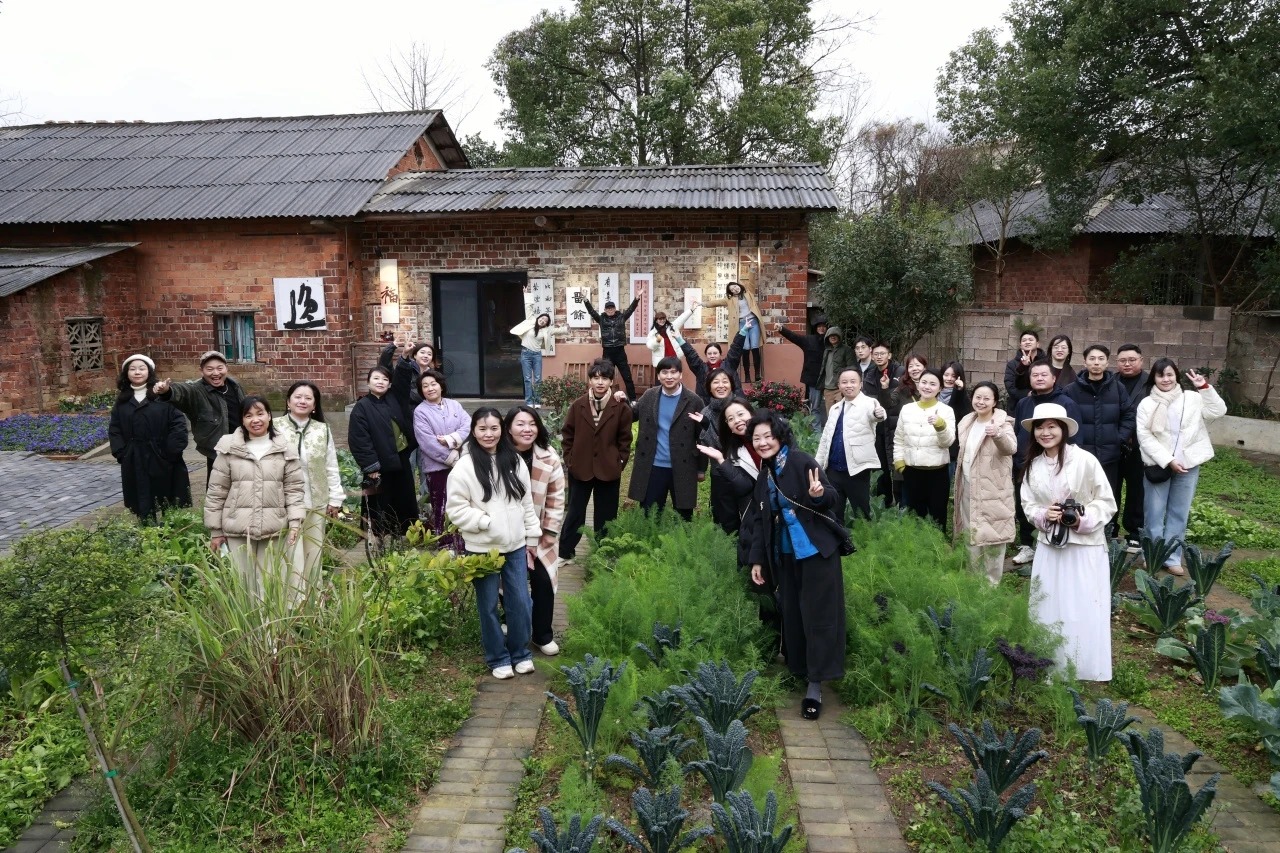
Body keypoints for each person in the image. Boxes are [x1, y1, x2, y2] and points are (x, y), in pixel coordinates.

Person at [743, 411, 848, 720]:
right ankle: (800, 668)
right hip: (786, 554)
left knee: (819, 614)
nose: (762, 443)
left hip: (816, 551)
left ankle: (816, 684)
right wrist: (758, 559)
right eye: (756, 438)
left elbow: (831, 497)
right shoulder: (766, 472)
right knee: (793, 612)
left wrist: (817, 495)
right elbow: (762, 521)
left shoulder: (802, 461)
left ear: (780, 436)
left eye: (767, 436)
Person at [1020, 402, 1115, 681]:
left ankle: (1082, 666)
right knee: (1048, 603)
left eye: (1052, 426)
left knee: (1082, 605)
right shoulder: (1033, 466)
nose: (1045, 432)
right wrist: (1043, 514)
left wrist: (1080, 520)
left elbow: (1106, 502)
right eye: (1040, 427)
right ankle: (1049, 663)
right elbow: (1027, 504)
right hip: (1050, 546)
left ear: (1063, 429)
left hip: (1084, 547)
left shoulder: (1085, 460)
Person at [445, 408, 542, 680]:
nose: (489, 434)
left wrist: (531, 537)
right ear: (473, 431)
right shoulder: (464, 467)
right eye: (483, 429)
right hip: (483, 549)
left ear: (503, 429)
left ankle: (520, 652)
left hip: (514, 546)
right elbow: (455, 508)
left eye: (494, 428)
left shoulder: (514, 460)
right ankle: (497, 657)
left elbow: (526, 502)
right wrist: (485, 522)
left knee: (520, 602)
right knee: (488, 606)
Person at [205, 396, 305, 599]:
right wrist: (216, 531)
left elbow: (294, 490)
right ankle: (248, 631)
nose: (255, 419)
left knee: (272, 586)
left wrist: (295, 523)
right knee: (243, 587)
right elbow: (216, 491)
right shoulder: (229, 448)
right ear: (242, 420)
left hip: (274, 529)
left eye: (260, 413)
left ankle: (273, 630)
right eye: (248, 415)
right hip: (238, 529)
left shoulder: (285, 449)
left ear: (270, 416)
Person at [1135, 359, 1226, 575]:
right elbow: (1145, 437)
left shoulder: (1192, 398)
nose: (1165, 379)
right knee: (1154, 513)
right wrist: (1168, 460)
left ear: (1176, 375)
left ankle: (1173, 557)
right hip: (1159, 465)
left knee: (1179, 513)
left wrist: (1204, 387)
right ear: (1154, 379)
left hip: (1188, 465)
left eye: (1169, 374)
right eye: (1160, 375)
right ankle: (1153, 555)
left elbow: (1218, 410)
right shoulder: (1147, 404)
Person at [505, 405, 566, 656]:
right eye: (520, 424)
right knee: (507, 581)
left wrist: (549, 533)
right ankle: (511, 622)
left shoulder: (549, 457)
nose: (527, 429)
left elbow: (556, 498)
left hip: (540, 533)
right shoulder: (498, 456)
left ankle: (542, 633)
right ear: (508, 428)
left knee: (542, 580)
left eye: (532, 423)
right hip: (507, 533)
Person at [558, 359, 634, 559]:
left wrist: (619, 462)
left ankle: (603, 553)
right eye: (596, 378)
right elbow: (568, 435)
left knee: (606, 515)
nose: (600, 382)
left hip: (608, 469)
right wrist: (570, 459)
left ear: (611, 381)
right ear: (590, 380)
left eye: (605, 378)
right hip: (580, 467)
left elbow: (625, 440)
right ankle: (565, 552)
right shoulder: (578, 405)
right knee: (575, 512)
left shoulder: (620, 407)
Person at [1011, 360, 1084, 567]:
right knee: (1025, 502)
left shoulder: (1066, 403)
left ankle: (1058, 540)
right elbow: (1018, 432)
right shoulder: (1024, 404)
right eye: (1035, 375)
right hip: (1025, 463)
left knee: (1056, 502)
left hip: (1058, 464)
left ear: (1054, 378)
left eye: (1044, 374)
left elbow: (1075, 438)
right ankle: (1027, 544)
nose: (1039, 378)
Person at [109, 354, 191, 522]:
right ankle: (149, 536)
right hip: (135, 457)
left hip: (163, 456)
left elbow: (178, 424)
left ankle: (171, 535)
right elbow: (115, 428)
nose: (137, 372)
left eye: (141, 368)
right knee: (143, 500)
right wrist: (121, 452)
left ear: (149, 371)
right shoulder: (123, 401)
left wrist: (171, 452)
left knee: (169, 500)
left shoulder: (162, 395)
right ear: (126, 373)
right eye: (132, 369)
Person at [273, 382, 344, 575]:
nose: (302, 401)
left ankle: (313, 599)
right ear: (288, 402)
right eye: (298, 397)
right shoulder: (274, 427)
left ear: (314, 405)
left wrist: (335, 498)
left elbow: (330, 465)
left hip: (316, 500)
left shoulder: (322, 430)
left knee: (313, 553)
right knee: (289, 553)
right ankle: (291, 601)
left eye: (308, 398)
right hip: (284, 501)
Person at [1063, 345, 1135, 537]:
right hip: (1081, 454)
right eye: (1092, 359)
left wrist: (1118, 438)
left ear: (1107, 362)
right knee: (1080, 492)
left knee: (1109, 494)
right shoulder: (1071, 390)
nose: (1096, 363)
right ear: (1085, 362)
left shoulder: (1117, 388)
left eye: (1101, 359)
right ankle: (1079, 530)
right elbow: (1064, 420)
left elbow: (1129, 415)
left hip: (1109, 455)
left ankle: (1109, 533)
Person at [953, 382, 1017, 584]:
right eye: (977, 397)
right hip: (968, 489)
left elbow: (1011, 448)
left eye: (986, 398)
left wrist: (997, 434)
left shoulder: (1003, 424)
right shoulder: (966, 422)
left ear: (995, 402)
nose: (981, 402)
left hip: (993, 492)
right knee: (971, 537)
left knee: (993, 539)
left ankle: (991, 587)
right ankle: (973, 583)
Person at [628, 356, 704, 521]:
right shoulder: (649, 396)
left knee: (683, 518)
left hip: (683, 466)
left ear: (680, 375)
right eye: (664, 372)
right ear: (658, 375)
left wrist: (701, 469)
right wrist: (621, 401)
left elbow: (701, 437)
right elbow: (631, 416)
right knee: (650, 516)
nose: (669, 377)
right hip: (653, 465)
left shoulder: (694, 401)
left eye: (673, 372)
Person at [152, 350, 246, 481]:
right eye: (209, 369)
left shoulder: (234, 385)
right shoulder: (197, 390)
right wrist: (167, 391)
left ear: (226, 368)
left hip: (241, 444)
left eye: (220, 368)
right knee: (217, 488)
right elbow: (183, 391)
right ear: (201, 371)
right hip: (216, 450)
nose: (216, 373)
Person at [348, 366, 419, 542]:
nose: (381, 382)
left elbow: (403, 379)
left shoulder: (394, 398)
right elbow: (359, 439)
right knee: (379, 501)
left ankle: (404, 534)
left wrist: (404, 359)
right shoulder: (362, 407)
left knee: (404, 497)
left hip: (400, 458)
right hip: (378, 464)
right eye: (376, 379)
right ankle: (378, 536)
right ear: (368, 382)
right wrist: (370, 465)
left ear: (390, 383)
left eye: (385, 379)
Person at [815, 367, 886, 522]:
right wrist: (817, 467)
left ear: (860, 384)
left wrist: (878, 414)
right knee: (834, 512)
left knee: (862, 513)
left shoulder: (869, 403)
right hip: (833, 470)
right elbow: (825, 440)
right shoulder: (835, 408)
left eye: (853, 382)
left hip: (857, 470)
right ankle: (839, 544)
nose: (849, 385)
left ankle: (866, 544)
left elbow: (876, 415)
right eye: (844, 382)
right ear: (839, 386)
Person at [413, 369, 470, 550]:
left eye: (433, 384)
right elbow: (427, 442)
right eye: (425, 386)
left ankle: (462, 541)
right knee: (441, 504)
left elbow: (467, 425)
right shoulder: (420, 412)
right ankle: (444, 542)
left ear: (441, 385)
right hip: (437, 468)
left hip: (460, 466)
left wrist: (449, 439)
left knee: (461, 502)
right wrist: (453, 456)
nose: (430, 388)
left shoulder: (455, 405)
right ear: (421, 390)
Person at [893, 368, 956, 529]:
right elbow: (899, 438)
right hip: (912, 470)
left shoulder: (946, 411)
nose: (928, 387)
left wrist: (940, 426)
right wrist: (899, 462)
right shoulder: (907, 409)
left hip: (937, 472)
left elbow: (947, 442)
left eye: (933, 384)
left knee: (938, 515)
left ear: (940, 388)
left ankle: (938, 549)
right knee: (914, 515)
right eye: (924, 382)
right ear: (918, 384)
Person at [695, 397, 759, 536]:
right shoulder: (734, 450)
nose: (737, 420)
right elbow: (744, 486)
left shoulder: (773, 437)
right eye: (731, 419)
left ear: (752, 413)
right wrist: (721, 460)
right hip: (756, 507)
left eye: (741, 414)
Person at [379, 340, 435, 482]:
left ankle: (426, 498)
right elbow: (385, 367)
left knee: (426, 462)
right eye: (422, 352)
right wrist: (393, 347)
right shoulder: (406, 369)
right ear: (414, 355)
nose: (425, 356)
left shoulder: (434, 376)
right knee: (408, 461)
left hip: (426, 422)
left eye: (429, 354)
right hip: (408, 421)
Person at [878, 353, 927, 508]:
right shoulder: (902, 389)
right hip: (906, 442)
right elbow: (888, 404)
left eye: (918, 365)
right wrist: (885, 388)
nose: (914, 369)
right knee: (903, 484)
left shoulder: (932, 386)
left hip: (926, 442)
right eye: (911, 366)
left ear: (925, 367)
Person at [1115, 344, 1150, 548]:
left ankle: (1135, 531)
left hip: (1140, 446)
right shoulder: (1110, 381)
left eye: (1132, 360)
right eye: (1122, 360)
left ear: (1141, 360)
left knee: (1137, 490)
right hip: (1115, 444)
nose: (1127, 364)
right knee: (1112, 487)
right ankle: (1110, 528)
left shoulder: (1150, 383)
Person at [511, 291, 564, 408]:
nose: (543, 320)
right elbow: (528, 307)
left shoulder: (546, 330)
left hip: (537, 355)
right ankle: (529, 402)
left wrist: (567, 327)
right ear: (539, 318)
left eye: (545, 320)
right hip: (525, 353)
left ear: (546, 324)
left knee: (538, 379)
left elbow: (558, 331)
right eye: (542, 318)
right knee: (528, 379)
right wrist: (526, 294)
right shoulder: (530, 321)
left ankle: (538, 401)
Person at [705, 281, 764, 383]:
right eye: (732, 290)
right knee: (745, 348)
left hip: (753, 322)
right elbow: (717, 302)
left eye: (735, 287)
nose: (735, 289)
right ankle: (747, 375)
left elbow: (752, 280)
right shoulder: (730, 300)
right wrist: (703, 304)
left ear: (739, 286)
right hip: (741, 324)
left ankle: (758, 374)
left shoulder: (748, 293)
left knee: (755, 347)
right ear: (731, 292)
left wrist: (753, 269)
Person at [674, 323, 746, 404]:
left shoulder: (729, 364)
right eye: (709, 353)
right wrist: (679, 339)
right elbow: (691, 355)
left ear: (720, 354)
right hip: (708, 407)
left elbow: (735, 349)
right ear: (706, 355)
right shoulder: (701, 369)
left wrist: (743, 331)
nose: (712, 356)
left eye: (715, 353)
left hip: (733, 404)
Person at [585, 296, 641, 400]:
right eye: (608, 308)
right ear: (605, 310)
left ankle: (633, 400)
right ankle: (605, 398)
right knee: (606, 376)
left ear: (615, 309)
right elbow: (591, 312)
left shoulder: (621, 317)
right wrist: (586, 301)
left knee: (627, 377)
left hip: (620, 351)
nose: (610, 310)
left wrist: (636, 299)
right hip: (607, 351)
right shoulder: (601, 319)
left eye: (612, 308)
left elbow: (631, 309)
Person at [870, 343, 905, 506]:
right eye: (876, 353)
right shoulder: (870, 374)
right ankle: (884, 500)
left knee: (896, 463)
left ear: (889, 355)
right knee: (881, 463)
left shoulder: (900, 372)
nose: (879, 356)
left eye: (882, 353)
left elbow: (897, 400)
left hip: (895, 424)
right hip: (878, 424)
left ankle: (901, 501)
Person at [775, 317, 829, 418]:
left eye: (823, 326)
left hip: (829, 380)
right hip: (814, 381)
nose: (821, 328)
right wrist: (782, 329)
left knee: (830, 407)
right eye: (819, 326)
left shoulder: (830, 342)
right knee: (815, 408)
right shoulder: (809, 340)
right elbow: (794, 337)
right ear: (816, 328)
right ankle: (816, 433)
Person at [941, 361, 972, 482]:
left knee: (944, 486)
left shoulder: (962, 397)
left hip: (950, 449)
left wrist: (958, 391)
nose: (949, 379)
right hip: (932, 447)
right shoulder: (934, 393)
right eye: (946, 374)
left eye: (954, 376)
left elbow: (953, 412)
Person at [816, 327, 854, 420]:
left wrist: (845, 385)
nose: (832, 337)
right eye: (830, 335)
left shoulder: (847, 350)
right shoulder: (826, 351)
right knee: (831, 417)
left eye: (835, 335)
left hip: (840, 389)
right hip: (828, 389)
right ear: (827, 338)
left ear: (839, 337)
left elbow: (851, 368)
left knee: (842, 416)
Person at [1004, 331, 1044, 407]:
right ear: (1020, 345)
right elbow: (1010, 387)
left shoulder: (1046, 363)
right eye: (1024, 340)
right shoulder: (1012, 364)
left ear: (1038, 344)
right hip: (1018, 405)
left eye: (1031, 340)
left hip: (1042, 404)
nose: (1027, 342)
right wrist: (1027, 394)